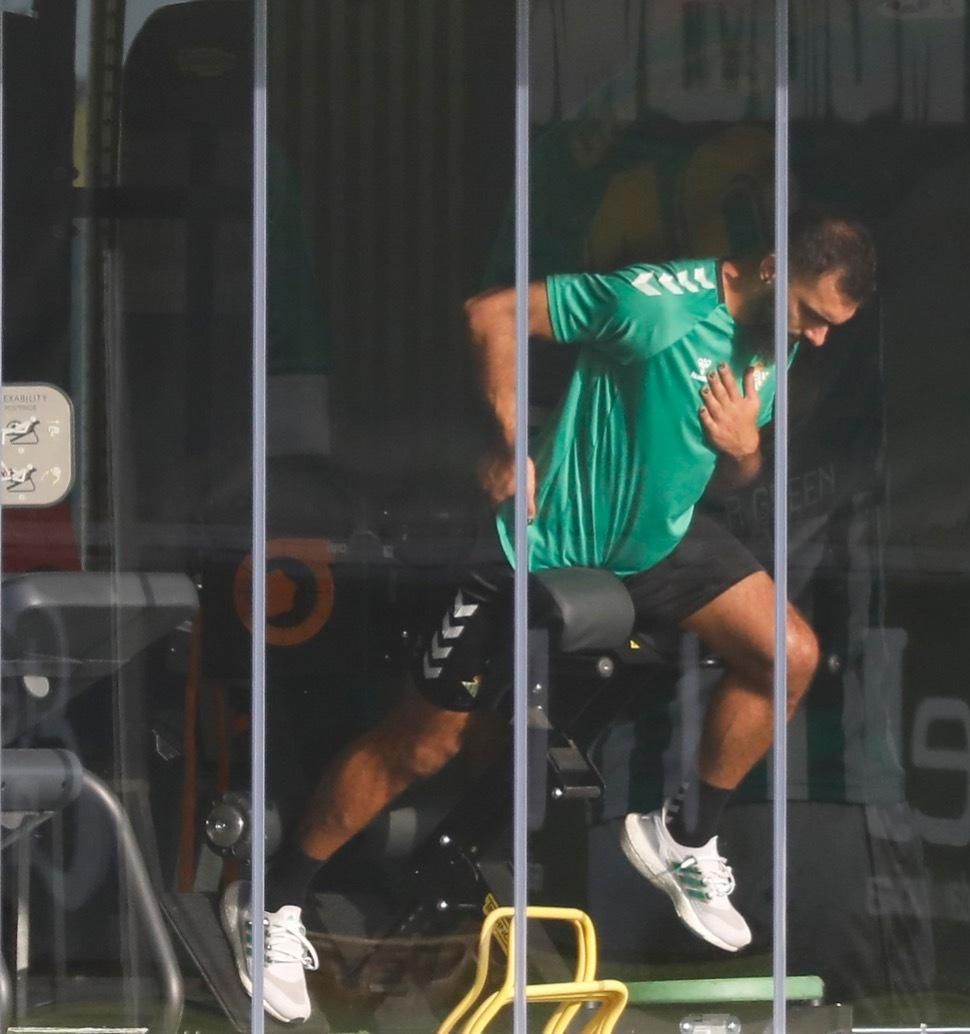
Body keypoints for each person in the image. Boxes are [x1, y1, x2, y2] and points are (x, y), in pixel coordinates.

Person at [220, 209, 877, 1024]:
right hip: (544, 540)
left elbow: (735, 472)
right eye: (812, 315)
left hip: (659, 544)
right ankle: (272, 898)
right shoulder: (653, 304)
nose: (815, 338)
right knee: (422, 744)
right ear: (774, 268)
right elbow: (490, 312)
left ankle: (685, 836)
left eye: (830, 327)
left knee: (791, 654)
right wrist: (509, 435)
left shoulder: (773, 341)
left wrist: (745, 446)